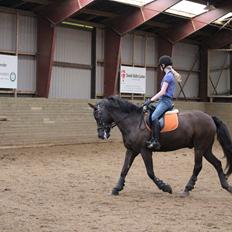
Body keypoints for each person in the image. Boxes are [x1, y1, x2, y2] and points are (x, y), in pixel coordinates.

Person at [144, 55, 181, 149]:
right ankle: (152, 138)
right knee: (150, 110)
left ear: (163, 65)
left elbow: (162, 92)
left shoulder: (168, 77)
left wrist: (150, 100)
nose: (160, 67)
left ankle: (156, 141)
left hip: (165, 101)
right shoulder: (168, 76)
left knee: (154, 116)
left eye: (160, 65)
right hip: (162, 101)